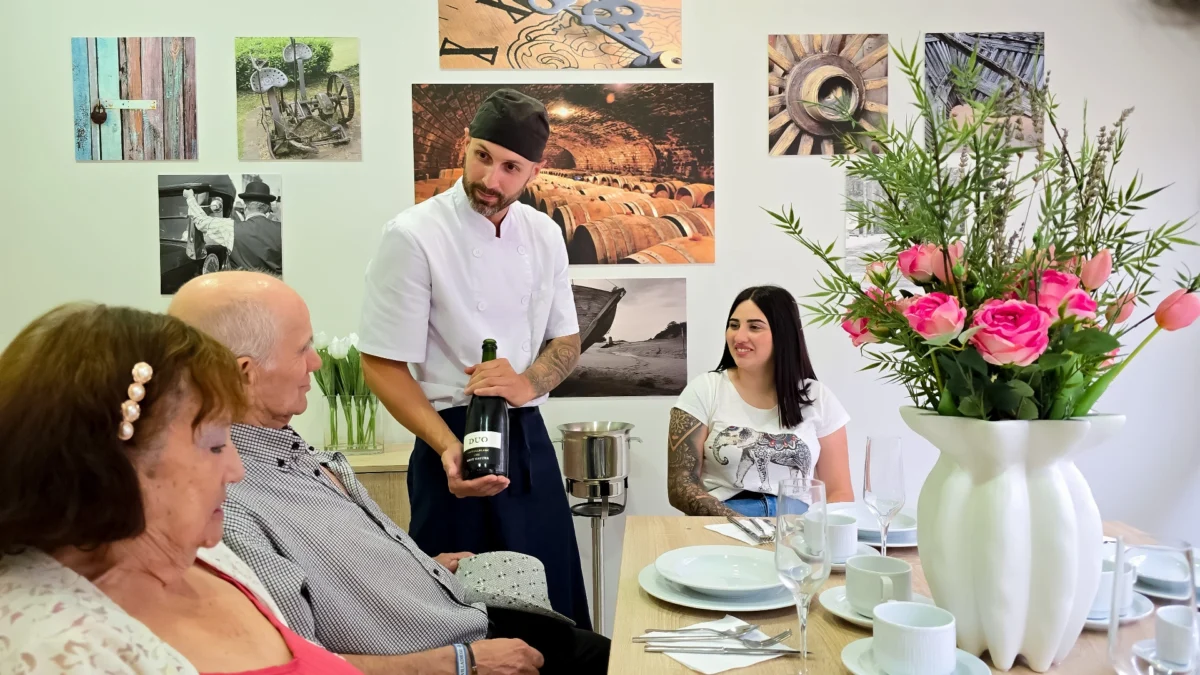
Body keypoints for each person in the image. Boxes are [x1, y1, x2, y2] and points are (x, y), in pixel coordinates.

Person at [168, 271, 609, 674]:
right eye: (302, 349)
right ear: (245, 374)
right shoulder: (230, 510)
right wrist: (463, 663)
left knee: (621, 648)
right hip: (459, 655)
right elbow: (304, 663)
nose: (316, 363)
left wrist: (418, 568)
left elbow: (338, 577)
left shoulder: (299, 456)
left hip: (460, 617)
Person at [0, 302, 362, 674]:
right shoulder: (52, 649)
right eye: (215, 444)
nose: (236, 471)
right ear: (110, 461)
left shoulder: (208, 557)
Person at [355, 88, 593, 629]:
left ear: (535, 170)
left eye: (511, 167)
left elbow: (567, 341)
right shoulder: (413, 235)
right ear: (466, 145)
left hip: (528, 443)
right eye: (482, 156)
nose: (492, 180)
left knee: (550, 611)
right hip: (450, 444)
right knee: (459, 619)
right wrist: (446, 449)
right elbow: (381, 363)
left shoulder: (546, 234)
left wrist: (528, 383)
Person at [666, 285, 854, 517]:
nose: (739, 336)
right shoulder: (705, 390)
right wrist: (740, 522)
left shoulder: (817, 397)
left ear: (783, 333)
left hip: (796, 525)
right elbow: (680, 485)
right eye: (733, 325)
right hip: (723, 522)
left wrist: (820, 539)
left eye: (754, 327)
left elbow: (839, 493)